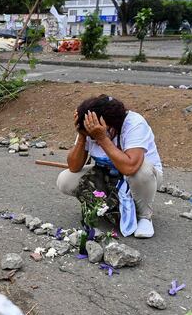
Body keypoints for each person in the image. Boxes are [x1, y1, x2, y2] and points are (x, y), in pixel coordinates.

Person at [56, 95, 163, 239]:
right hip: (107, 175)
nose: (91, 137)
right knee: (65, 180)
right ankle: (110, 208)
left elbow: (130, 168)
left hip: (145, 179)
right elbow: (74, 166)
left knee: (141, 171)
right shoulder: (90, 125)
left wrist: (102, 138)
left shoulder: (134, 123)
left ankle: (144, 216)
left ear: (109, 125)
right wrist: (82, 135)